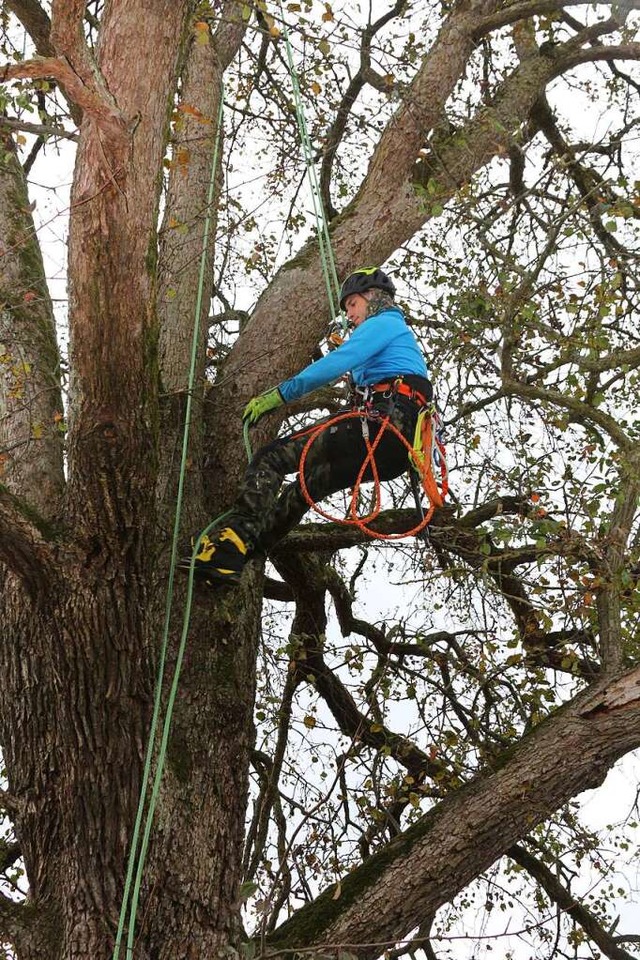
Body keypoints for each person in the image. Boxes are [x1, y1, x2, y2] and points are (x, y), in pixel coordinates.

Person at [182, 267, 432, 586]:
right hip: (393, 450)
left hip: (382, 426)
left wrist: (283, 393)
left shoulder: (385, 322)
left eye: (353, 305)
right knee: (306, 487)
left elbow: (338, 362)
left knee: (272, 457)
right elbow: (364, 378)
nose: (350, 315)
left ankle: (234, 536)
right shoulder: (396, 343)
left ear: (371, 297)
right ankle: (237, 557)